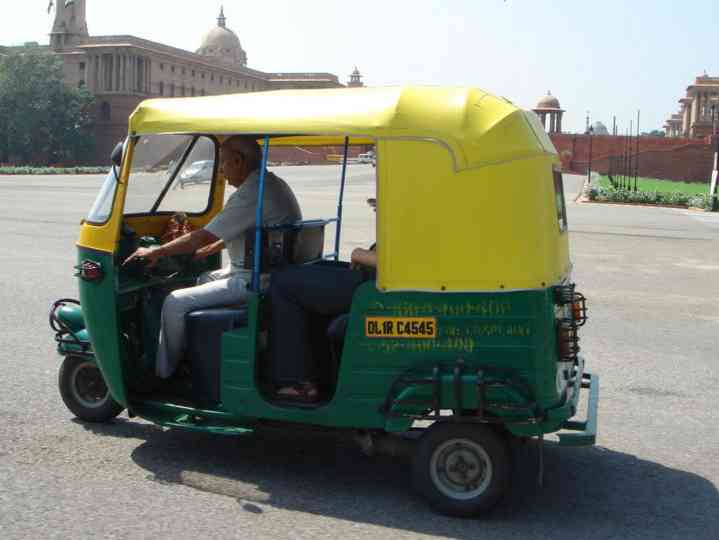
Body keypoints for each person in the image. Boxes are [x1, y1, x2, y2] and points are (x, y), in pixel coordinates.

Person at [124, 135, 302, 378]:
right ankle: (196, 354)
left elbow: (202, 235)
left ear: (238, 161)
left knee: (174, 302)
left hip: (255, 280)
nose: (221, 171)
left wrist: (157, 251)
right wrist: (210, 249)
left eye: (224, 163)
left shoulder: (251, 194)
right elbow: (244, 230)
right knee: (203, 279)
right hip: (268, 272)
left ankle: (165, 374)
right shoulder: (270, 184)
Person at [268, 246, 377, 402]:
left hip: (382, 284)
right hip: (377, 277)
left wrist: (359, 254)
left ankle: (296, 382)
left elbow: (399, 263)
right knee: (310, 269)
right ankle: (321, 374)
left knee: (283, 282)